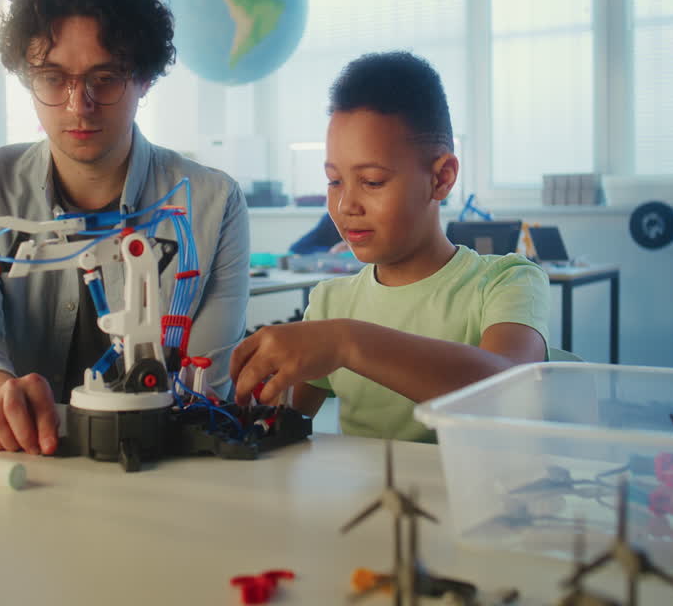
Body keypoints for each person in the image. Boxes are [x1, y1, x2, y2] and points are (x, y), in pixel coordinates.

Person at [0, 0, 250, 455]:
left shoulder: (213, 204)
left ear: (143, 79)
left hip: (162, 469)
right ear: (27, 79)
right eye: (55, 78)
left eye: (105, 78)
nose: (80, 106)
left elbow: (202, 381)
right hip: (20, 466)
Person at [229, 51, 549, 442]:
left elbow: (510, 391)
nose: (346, 205)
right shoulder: (332, 302)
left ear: (441, 178)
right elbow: (278, 424)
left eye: (373, 181)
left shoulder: (506, 282)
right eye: (334, 182)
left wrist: (346, 342)